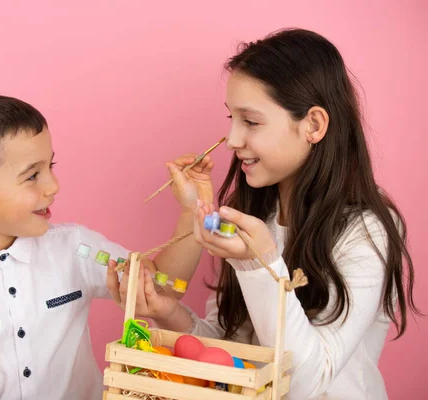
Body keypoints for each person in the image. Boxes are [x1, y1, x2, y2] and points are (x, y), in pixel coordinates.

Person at [107, 28, 421, 399]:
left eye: (251, 122)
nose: (233, 139)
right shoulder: (250, 214)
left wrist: (259, 265)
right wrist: (165, 311)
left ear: (313, 125)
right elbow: (236, 357)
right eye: (231, 119)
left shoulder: (366, 229)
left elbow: (306, 382)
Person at [0, 93, 213, 399]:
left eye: (50, 166)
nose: (54, 186)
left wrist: (191, 210)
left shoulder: (75, 249)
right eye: (32, 176)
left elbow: (164, 287)